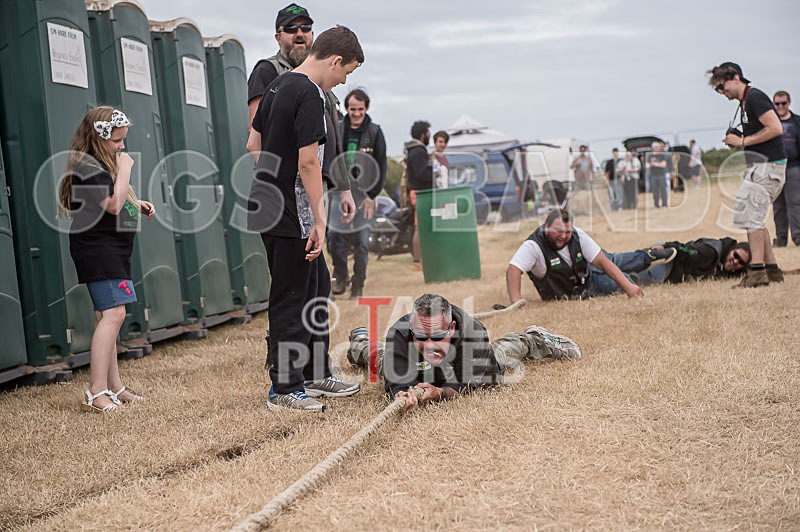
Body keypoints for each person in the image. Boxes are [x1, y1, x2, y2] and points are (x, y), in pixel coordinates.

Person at [245, 26, 363, 412]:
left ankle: (313, 372)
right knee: (291, 297)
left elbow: (253, 144)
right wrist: (318, 219)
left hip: (267, 202)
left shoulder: (278, 85)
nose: (344, 80)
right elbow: (309, 162)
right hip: (290, 211)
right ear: (334, 60)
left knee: (318, 289)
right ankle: (283, 388)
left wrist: (271, 179)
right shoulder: (311, 93)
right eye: (346, 72)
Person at [58, 107, 155, 412]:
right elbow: (112, 205)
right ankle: (96, 391)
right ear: (99, 138)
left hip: (112, 248)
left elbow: (106, 200)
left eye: (123, 141)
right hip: (99, 250)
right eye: (117, 141)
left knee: (107, 316)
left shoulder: (98, 164)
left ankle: (114, 387)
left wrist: (135, 203)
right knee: (114, 315)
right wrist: (126, 168)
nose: (122, 147)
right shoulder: (88, 166)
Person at [346, 294, 582, 412]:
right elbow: (397, 383)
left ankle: (535, 338)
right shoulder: (400, 333)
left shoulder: (473, 332)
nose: (429, 345)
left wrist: (439, 392)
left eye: (437, 337)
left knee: (505, 351)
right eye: (421, 337)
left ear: (453, 328)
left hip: (470, 365)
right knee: (376, 355)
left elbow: (464, 386)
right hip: (412, 364)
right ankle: (360, 340)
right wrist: (401, 393)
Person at [246, 4, 347, 195]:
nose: (299, 33)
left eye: (305, 28)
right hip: (290, 186)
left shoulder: (322, 79)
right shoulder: (267, 72)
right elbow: (256, 136)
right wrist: (279, 183)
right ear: (278, 37)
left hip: (319, 182)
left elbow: (334, 135)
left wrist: (344, 187)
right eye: (291, 28)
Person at [709, 62, 786, 287]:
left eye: (721, 86)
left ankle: (757, 274)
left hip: (767, 168)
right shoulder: (745, 102)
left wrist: (742, 141)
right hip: (762, 168)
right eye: (717, 90)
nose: (721, 92)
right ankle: (772, 271)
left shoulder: (755, 98)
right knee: (755, 219)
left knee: (751, 219)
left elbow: (775, 128)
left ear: (735, 77)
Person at [505, 209, 663, 303]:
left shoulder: (577, 234)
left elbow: (601, 261)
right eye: (558, 231)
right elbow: (513, 269)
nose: (564, 236)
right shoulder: (533, 246)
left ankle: (653, 254)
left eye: (567, 232)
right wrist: (517, 303)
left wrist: (628, 289)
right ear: (546, 227)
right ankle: (661, 270)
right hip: (586, 286)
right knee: (629, 278)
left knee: (616, 260)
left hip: (589, 271)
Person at [328, 88, 387, 299]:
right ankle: (341, 275)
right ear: (346, 108)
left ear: (366, 108)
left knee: (362, 241)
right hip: (339, 192)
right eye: (352, 109)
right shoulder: (337, 128)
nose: (356, 113)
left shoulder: (375, 131)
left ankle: (358, 284)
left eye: (360, 109)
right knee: (334, 236)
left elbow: (382, 165)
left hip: (364, 195)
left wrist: (373, 196)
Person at [634, 238, 750, 286]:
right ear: (731, 250)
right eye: (735, 255)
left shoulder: (727, 267)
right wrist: (665, 247)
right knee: (638, 280)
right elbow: (688, 251)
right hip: (667, 258)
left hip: (667, 258)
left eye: (740, 262)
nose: (735, 261)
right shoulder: (710, 253)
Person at [771, 90, 800, 247]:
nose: (780, 106)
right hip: (775, 168)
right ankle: (781, 239)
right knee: (778, 206)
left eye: (783, 103)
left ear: (788, 103)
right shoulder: (770, 121)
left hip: (794, 168)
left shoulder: (797, 122)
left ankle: (798, 237)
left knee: (795, 203)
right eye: (777, 104)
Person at [404, 120, 434, 268]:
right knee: (420, 227)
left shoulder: (413, 150)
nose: (429, 136)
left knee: (420, 226)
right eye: (428, 133)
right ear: (423, 135)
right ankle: (417, 262)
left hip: (416, 192)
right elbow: (421, 173)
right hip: (421, 193)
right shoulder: (419, 151)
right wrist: (435, 172)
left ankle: (420, 259)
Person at [646, 141, 670, 209]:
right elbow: (647, 166)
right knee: (655, 191)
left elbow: (664, 165)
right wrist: (653, 164)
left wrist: (655, 164)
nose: (659, 148)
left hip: (661, 175)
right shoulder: (650, 156)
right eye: (657, 147)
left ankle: (664, 205)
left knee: (663, 190)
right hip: (653, 176)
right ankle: (656, 205)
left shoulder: (662, 155)